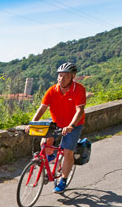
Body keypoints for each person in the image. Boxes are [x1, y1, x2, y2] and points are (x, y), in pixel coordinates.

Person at [29, 62, 86, 193]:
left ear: (73, 76)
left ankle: (63, 180)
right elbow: (42, 108)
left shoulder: (79, 89)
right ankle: (51, 160)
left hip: (73, 124)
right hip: (56, 121)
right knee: (45, 142)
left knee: (67, 152)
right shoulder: (52, 90)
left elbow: (79, 110)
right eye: (60, 76)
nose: (62, 79)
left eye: (66, 76)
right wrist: (32, 123)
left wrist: (71, 125)